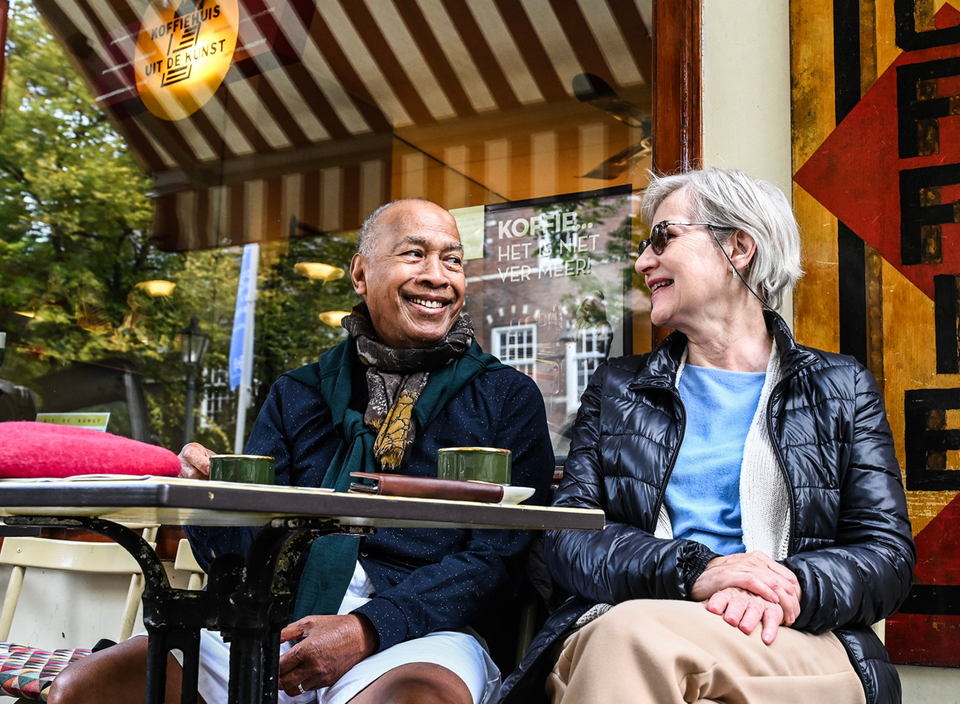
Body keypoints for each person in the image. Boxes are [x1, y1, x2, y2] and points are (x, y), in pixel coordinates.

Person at [49, 198, 554, 704]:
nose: (437, 276)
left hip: (418, 634)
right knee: (85, 689)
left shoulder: (505, 396)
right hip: (270, 624)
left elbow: (498, 562)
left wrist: (368, 628)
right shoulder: (298, 393)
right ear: (360, 273)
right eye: (414, 254)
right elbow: (237, 560)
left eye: (453, 260)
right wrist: (208, 500)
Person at [499, 169, 916, 704]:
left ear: (738, 246)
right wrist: (697, 571)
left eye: (662, 238)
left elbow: (885, 554)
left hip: (791, 635)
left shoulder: (840, 386)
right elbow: (568, 537)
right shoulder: (617, 389)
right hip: (635, 621)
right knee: (624, 641)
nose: (643, 262)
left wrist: (787, 588)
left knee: (619, 648)